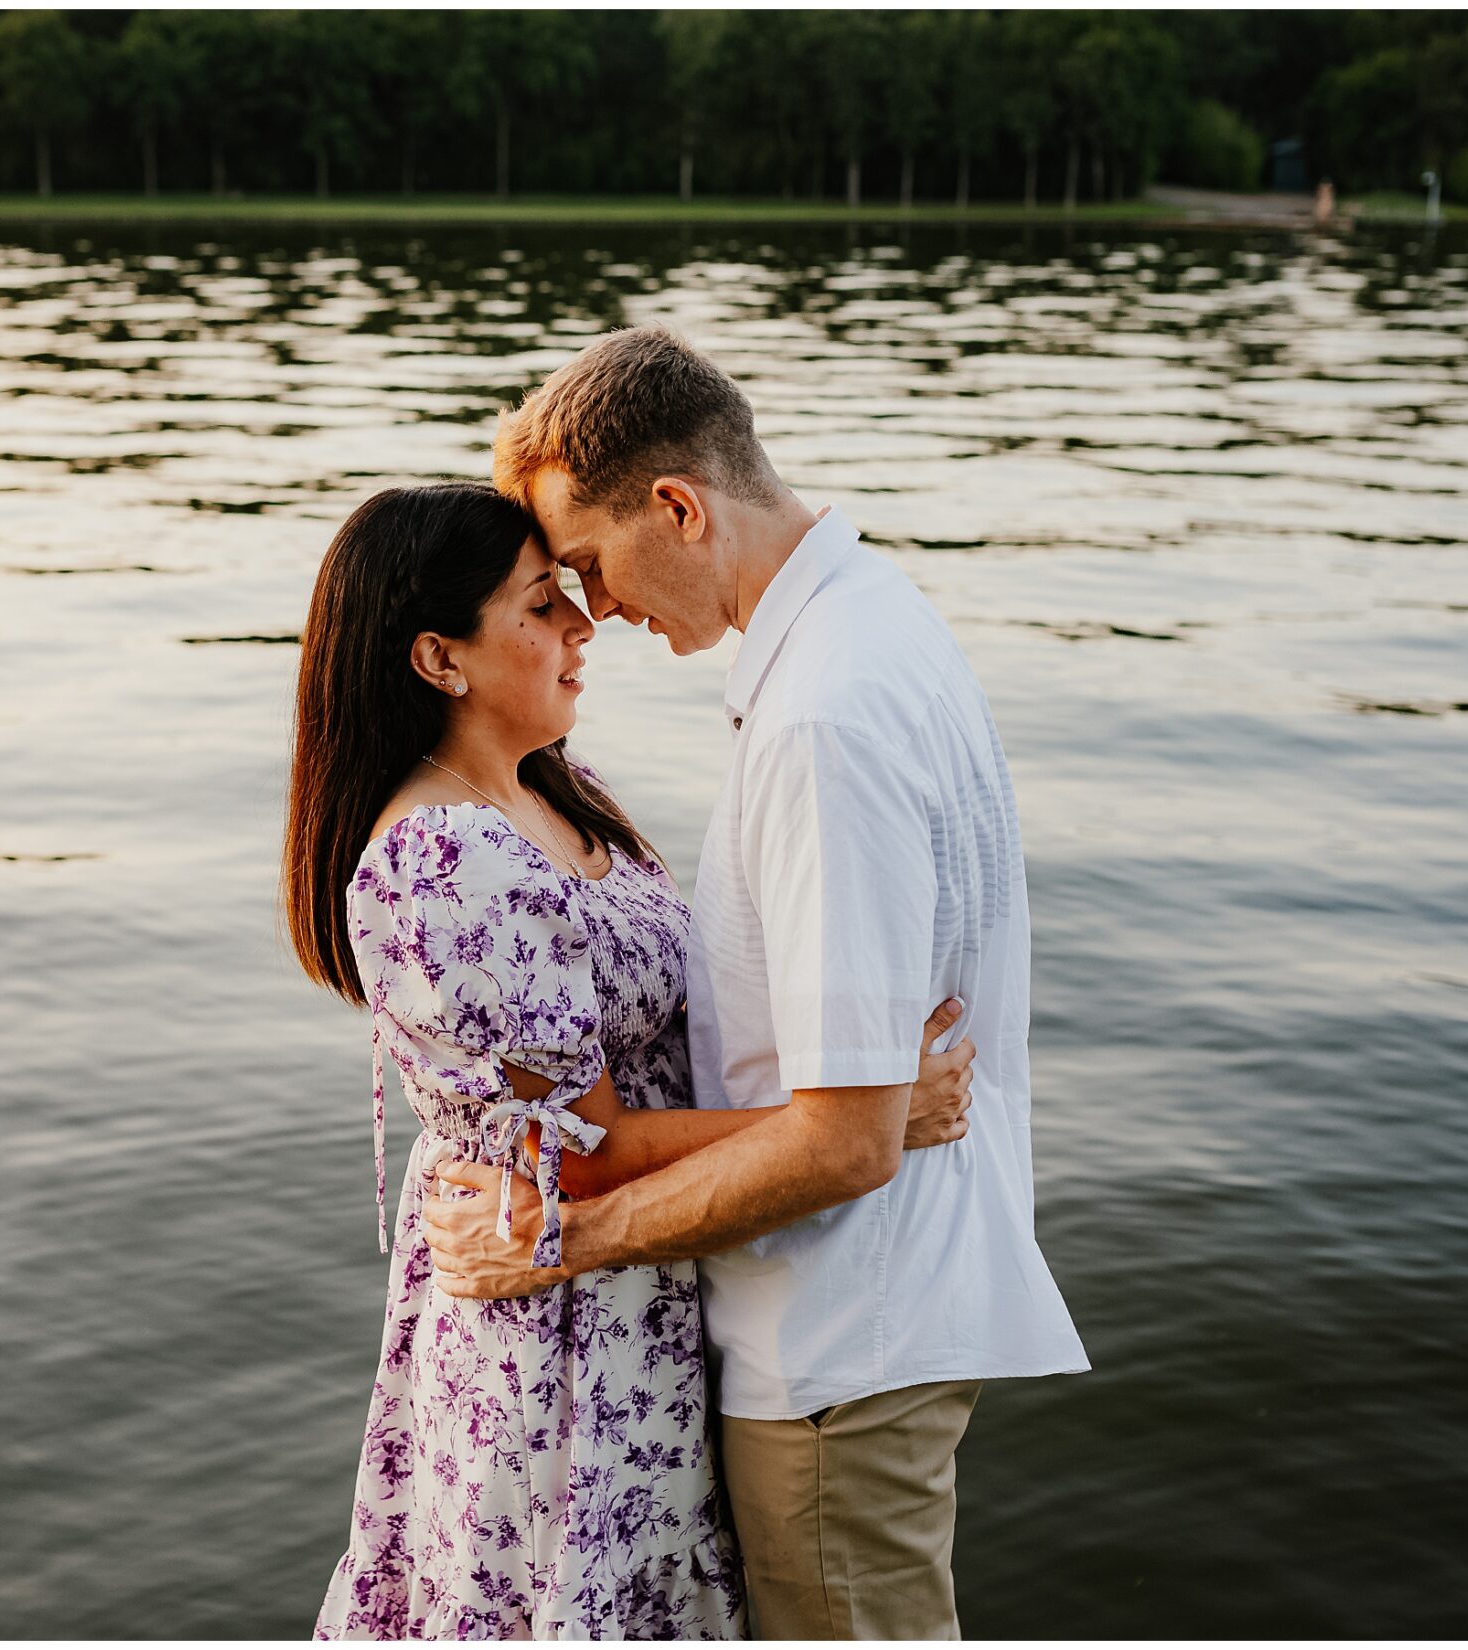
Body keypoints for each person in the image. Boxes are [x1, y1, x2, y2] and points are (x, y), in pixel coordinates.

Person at [425, 327, 1091, 1639]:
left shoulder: (823, 718)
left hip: (841, 1340)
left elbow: (847, 1140)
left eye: (596, 565)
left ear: (679, 506)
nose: (594, 607)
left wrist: (561, 1239)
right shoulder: (871, 623)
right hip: (879, 1319)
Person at [280, 482, 979, 1639]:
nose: (580, 624)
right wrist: (868, 1111)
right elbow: (589, 1152)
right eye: (538, 604)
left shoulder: (552, 788)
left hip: (643, 1282)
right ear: (437, 659)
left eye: (568, 593)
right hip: (559, 1332)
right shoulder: (442, 863)